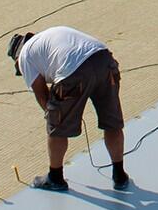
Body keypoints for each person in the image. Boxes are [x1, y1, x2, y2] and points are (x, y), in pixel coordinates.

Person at [8, 26, 127, 191]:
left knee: (55, 126)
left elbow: (42, 96)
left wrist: (59, 116)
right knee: (111, 122)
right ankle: (119, 174)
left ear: (16, 58)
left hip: (73, 70)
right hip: (104, 59)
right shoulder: (48, 36)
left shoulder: (25, 57)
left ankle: (55, 177)